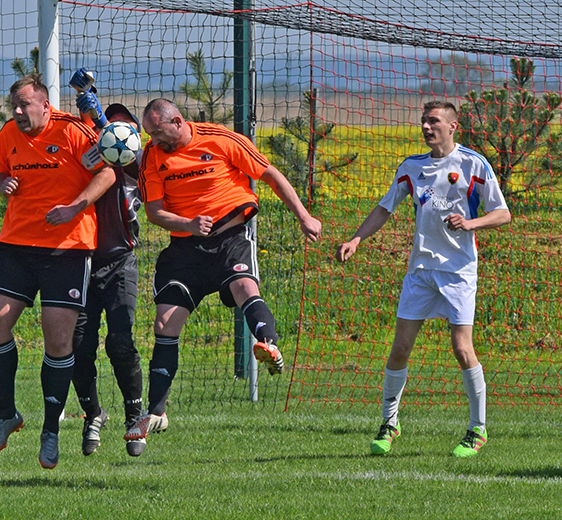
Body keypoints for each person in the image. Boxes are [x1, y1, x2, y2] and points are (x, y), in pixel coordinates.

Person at [124, 98, 321, 444]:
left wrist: (304, 216)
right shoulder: (153, 159)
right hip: (186, 248)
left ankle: (269, 346)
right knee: (164, 322)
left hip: (231, 238)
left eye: (158, 133)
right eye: (149, 135)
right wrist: (188, 222)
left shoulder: (221, 139)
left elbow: (270, 174)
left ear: (178, 120)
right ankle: (155, 412)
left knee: (245, 287)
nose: (154, 141)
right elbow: (154, 212)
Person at [335, 100, 511, 458]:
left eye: (434, 121)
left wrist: (471, 223)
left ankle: (477, 430)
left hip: (459, 272)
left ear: (452, 126)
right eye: (423, 122)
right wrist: (356, 238)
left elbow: (503, 214)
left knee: (462, 349)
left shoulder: (473, 164)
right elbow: (385, 207)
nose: (427, 127)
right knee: (400, 348)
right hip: (420, 272)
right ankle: (389, 423)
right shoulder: (411, 168)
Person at [0, 73, 114, 470]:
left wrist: (75, 206)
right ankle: (7, 414)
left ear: (45, 104)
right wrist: (1, 180)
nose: (19, 113)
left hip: (67, 249)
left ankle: (51, 430)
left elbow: (107, 172)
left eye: (25, 105)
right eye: (15, 107)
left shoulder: (74, 131)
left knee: (57, 340)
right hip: (16, 245)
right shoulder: (9, 134)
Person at [67, 70, 147, 458]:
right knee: (78, 345)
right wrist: (87, 103)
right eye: (109, 124)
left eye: (123, 125)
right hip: (79, 261)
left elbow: (125, 154)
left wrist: (100, 117)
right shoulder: (91, 154)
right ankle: (92, 413)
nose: (116, 131)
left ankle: (135, 415)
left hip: (120, 263)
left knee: (120, 340)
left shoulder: (139, 164)